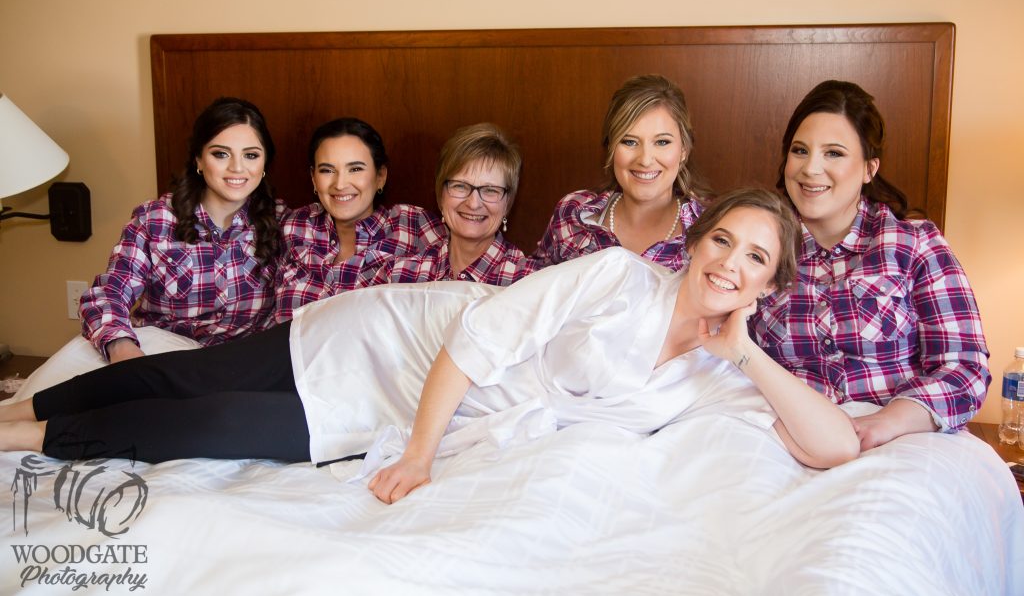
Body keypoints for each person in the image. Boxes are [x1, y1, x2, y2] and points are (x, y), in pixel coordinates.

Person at [0, 188, 859, 501]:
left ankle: (34, 434)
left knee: (215, 425)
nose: (729, 264)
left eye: (756, 259)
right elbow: (480, 337)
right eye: (722, 241)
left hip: (418, 407)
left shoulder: (716, 373)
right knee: (187, 377)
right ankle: (20, 415)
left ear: (769, 284)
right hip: (405, 341)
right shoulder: (616, 277)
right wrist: (417, 454)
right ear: (695, 241)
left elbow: (837, 444)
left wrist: (744, 351)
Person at [750, 80, 990, 452]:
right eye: (800, 151)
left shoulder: (915, 244)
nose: (811, 168)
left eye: (834, 153)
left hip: (900, 437)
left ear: (869, 168)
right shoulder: (755, 245)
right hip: (782, 437)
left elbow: (965, 368)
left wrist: (886, 423)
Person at [79, 97, 287, 364]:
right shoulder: (155, 219)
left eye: (251, 155)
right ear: (198, 159)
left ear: (264, 163)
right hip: (164, 356)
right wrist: (123, 349)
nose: (237, 167)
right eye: (221, 154)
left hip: (243, 364)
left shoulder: (284, 222)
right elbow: (110, 293)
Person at [525, 74, 708, 273]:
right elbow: (532, 284)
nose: (645, 160)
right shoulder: (573, 214)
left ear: (684, 150)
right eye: (629, 141)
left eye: (662, 142)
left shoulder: (710, 227)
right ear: (611, 148)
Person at [272, 118, 444, 322]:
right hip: (283, 342)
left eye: (355, 169)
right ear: (313, 178)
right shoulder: (294, 225)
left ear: (380, 176)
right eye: (327, 170)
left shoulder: (414, 226)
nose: (340, 184)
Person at [356, 123, 524, 286]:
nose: (473, 204)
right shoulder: (398, 275)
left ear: (507, 202)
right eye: (460, 186)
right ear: (441, 195)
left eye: (490, 190)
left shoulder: (527, 282)